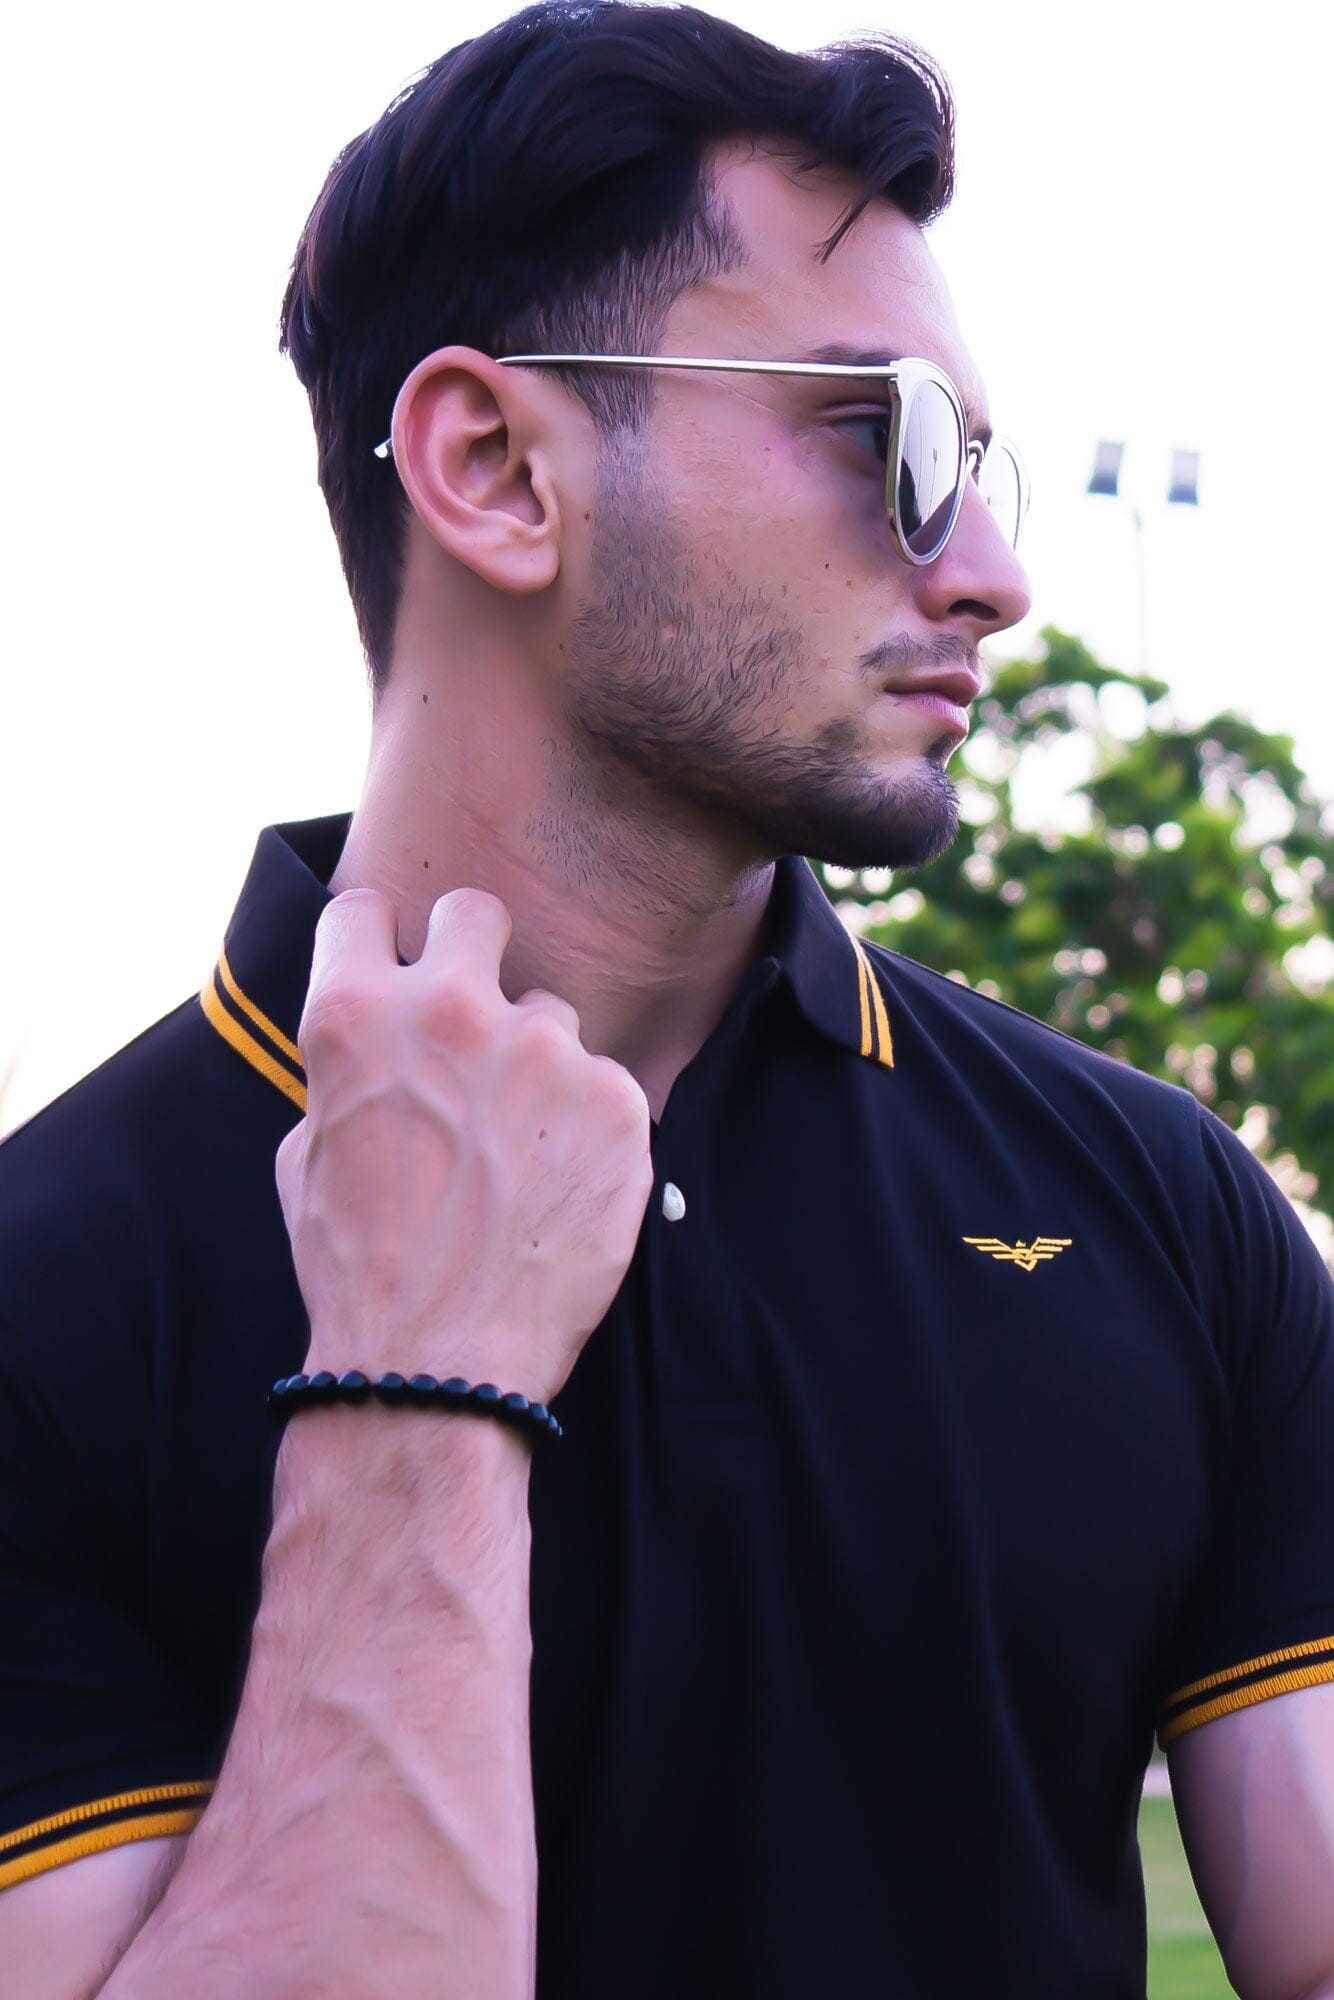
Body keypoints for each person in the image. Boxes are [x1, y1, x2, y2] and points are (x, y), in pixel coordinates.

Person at [2, 2, 1332, 1993]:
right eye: (889, 440)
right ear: (492, 468)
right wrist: (417, 1382)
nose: (989, 573)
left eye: (983, 468)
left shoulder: (1163, 1206)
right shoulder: (45, 1292)